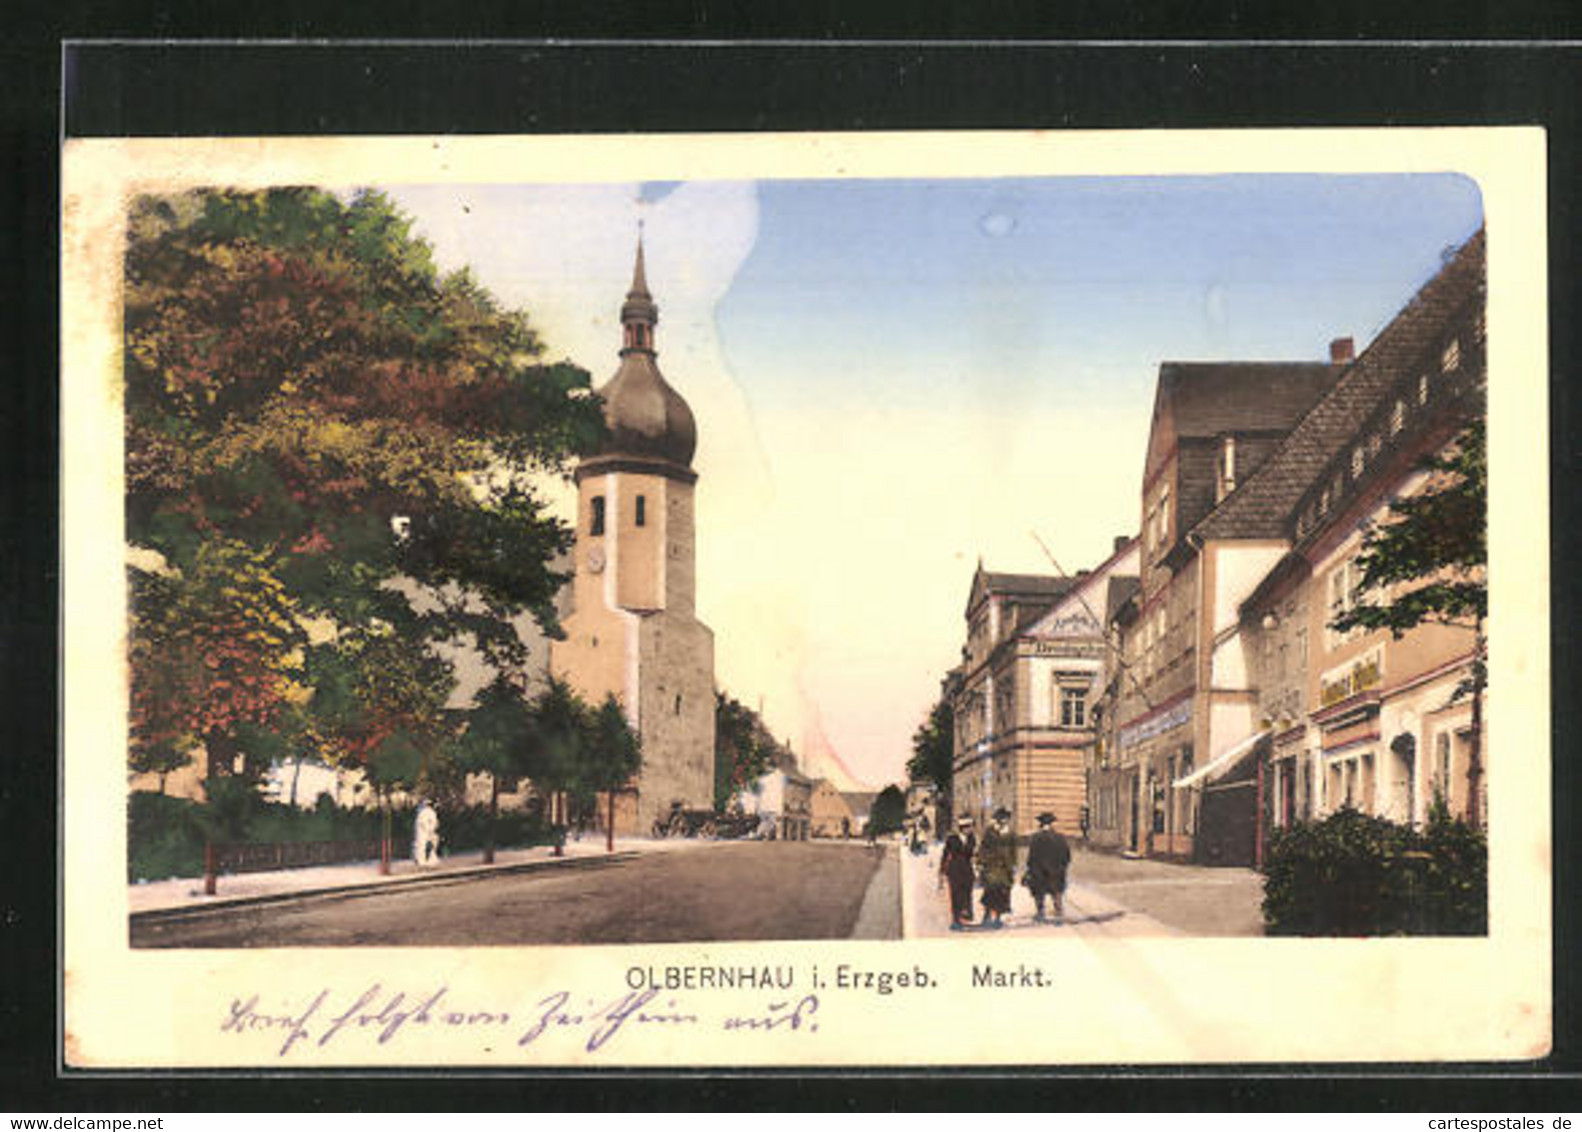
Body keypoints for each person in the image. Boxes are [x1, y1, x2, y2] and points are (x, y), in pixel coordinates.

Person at [1025, 811, 1072, 923]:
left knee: (1039, 892)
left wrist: (1031, 868)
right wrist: (1062, 867)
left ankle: (1040, 912)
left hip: (1039, 871)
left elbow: (1032, 857)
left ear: (1040, 825)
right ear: (1052, 825)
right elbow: (1067, 856)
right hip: (1056, 871)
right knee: (1056, 891)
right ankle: (1058, 910)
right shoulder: (1060, 838)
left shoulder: (1035, 838)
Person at [977, 808, 1016, 928]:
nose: (1004, 821)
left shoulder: (1010, 833)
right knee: (990, 891)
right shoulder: (990, 832)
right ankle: (986, 916)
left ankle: (997, 918)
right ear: (997, 819)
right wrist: (981, 862)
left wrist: (1013, 865)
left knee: (1002, 893)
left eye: (1006, 819)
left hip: (1005, 868)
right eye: (1002, 819)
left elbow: (1013, 851)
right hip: (991, 866)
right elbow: (983, 848)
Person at [938, 816, 976, 929]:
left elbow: (972, 854)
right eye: (969, 827)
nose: (970, 830)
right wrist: (942, 870)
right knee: (955, 894)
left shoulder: (972, 839)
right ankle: (955, 920)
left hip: (967, 870)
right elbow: (945, 855)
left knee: (967, 893)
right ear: (963, 828)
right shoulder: (952, 839)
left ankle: (964, 916)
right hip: (954, 870)